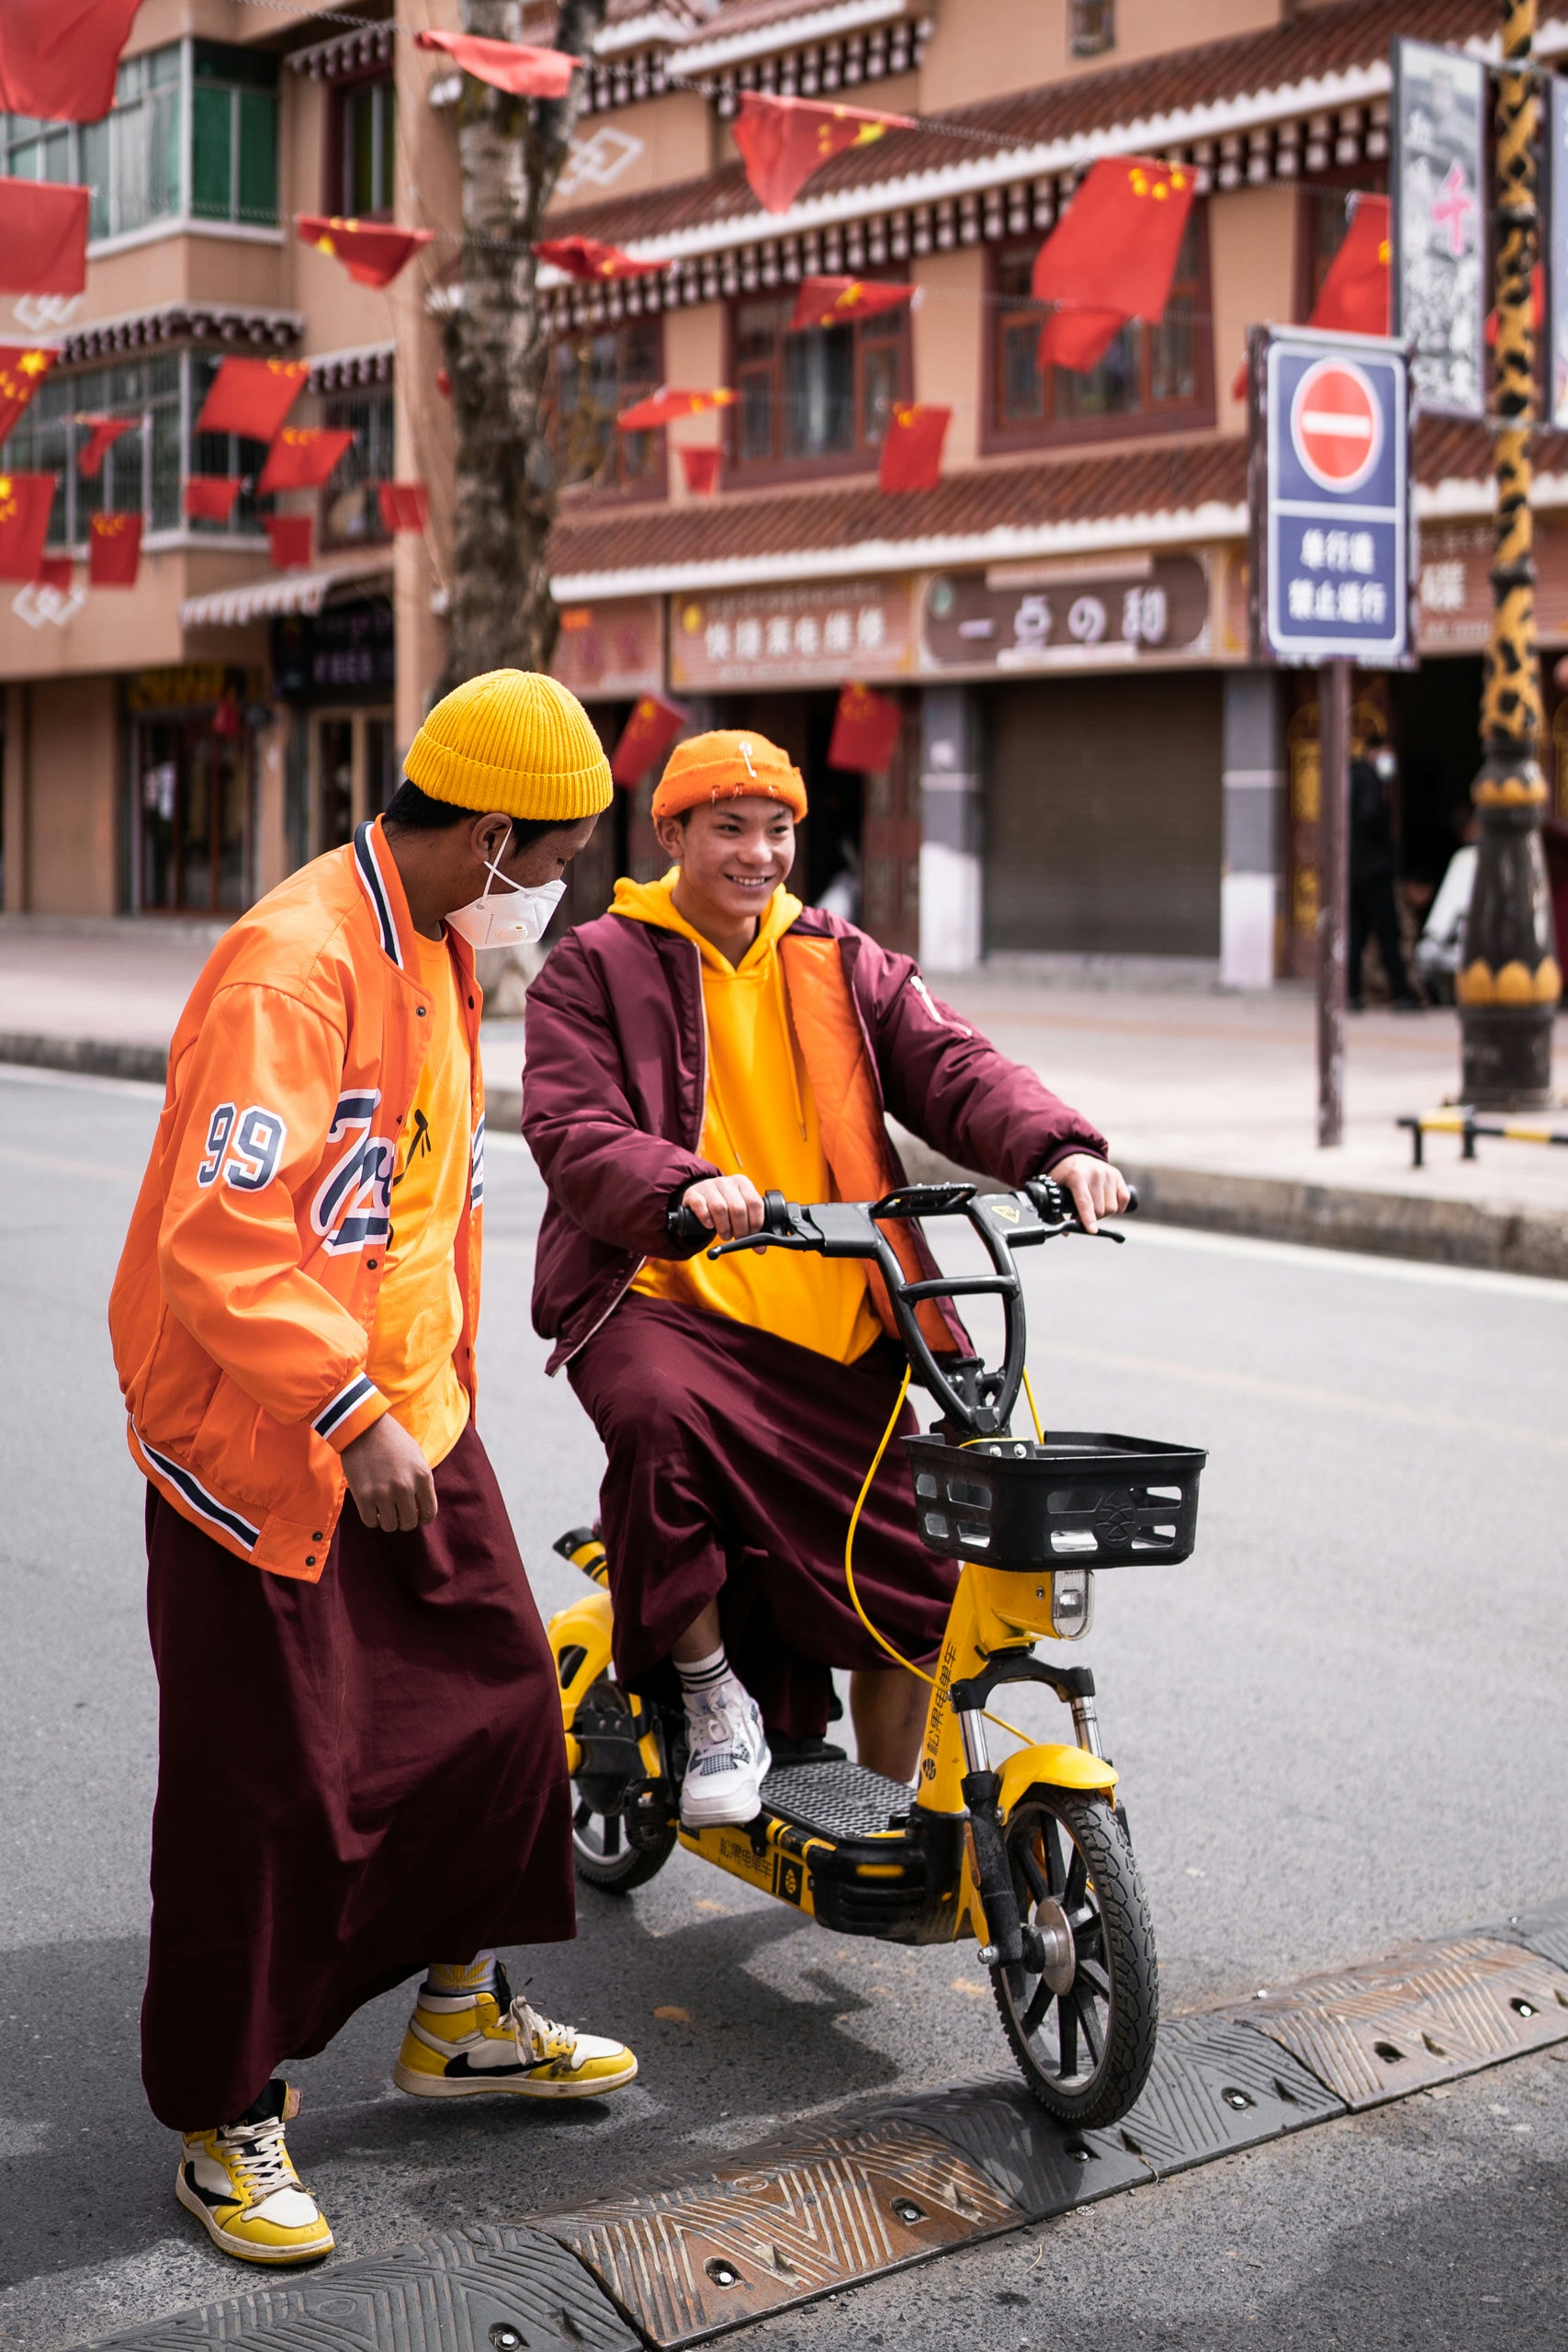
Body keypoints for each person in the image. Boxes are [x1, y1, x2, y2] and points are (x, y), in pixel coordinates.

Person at [108, 671, 638, 2271]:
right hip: (268, 1435)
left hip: (406, 1412)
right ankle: (224, 2119)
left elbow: (409, 1208)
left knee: (494, 1710)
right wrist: (349, 1412)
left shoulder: (434, 949)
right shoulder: (293, 965)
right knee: (263, 1787)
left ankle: (460, 2009)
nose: (554, 894)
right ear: (485, 838)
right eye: (549, 863)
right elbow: (220, 1241)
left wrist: (420, 1400)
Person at [521, 729, 1128, 1831]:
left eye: (779, 829)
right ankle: (713, 1703)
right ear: (670, 833)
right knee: (657, 1422)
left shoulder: (842, 959)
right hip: (664, 1296)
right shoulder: (595, 964)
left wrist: (1060, 1146)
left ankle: (893, 1818)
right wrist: (685, 1183)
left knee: (921, 1583)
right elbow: (571, 1127)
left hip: (847, 1317)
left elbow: (954, 1065)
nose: (759, 854)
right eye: (730, 829)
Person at [1349, 735, 1421, 1010]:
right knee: (1388, 934)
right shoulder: (1369, 781)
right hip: (1373, 871)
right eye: (1386, 754)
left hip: (1353, 871)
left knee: (1356, 934)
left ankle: (1352, 994)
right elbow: (1370, 816)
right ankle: (1401, 995)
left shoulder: (1351, 777)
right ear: (1373, 752)